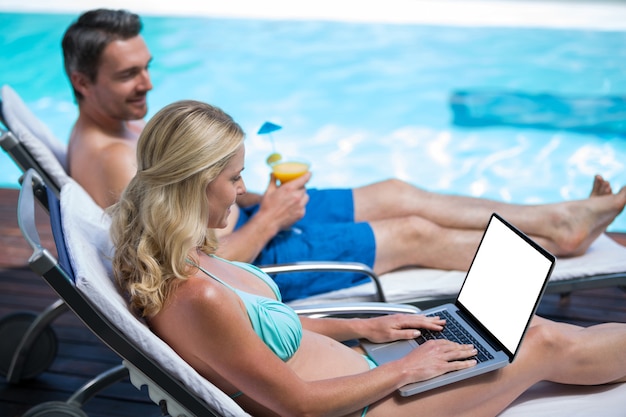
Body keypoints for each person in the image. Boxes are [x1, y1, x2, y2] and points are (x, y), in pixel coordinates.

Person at [64, 9, 626, 301]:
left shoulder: (116, 132)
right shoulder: (115, 161)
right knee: (411, 230)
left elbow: (191, 210)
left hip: (252, 223)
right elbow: (196, 271)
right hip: (255, 261)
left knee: (395, 192)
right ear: (82, 81)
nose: (146, 84)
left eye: (147, 66)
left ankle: (557, 219)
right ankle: (553, 247)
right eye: (128, 74)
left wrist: (251, 193)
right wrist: (272, 215)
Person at [109, 100, 626, 417]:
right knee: (541, 343)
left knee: (519, 329)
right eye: (233, 178)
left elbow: (266, 336)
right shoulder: (196, 294)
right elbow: (298, 406)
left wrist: (365, 327)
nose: (243, 189)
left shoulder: (180, 259)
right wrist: (408, 370)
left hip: (362, 377)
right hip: (365, 408)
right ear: (197, 184)